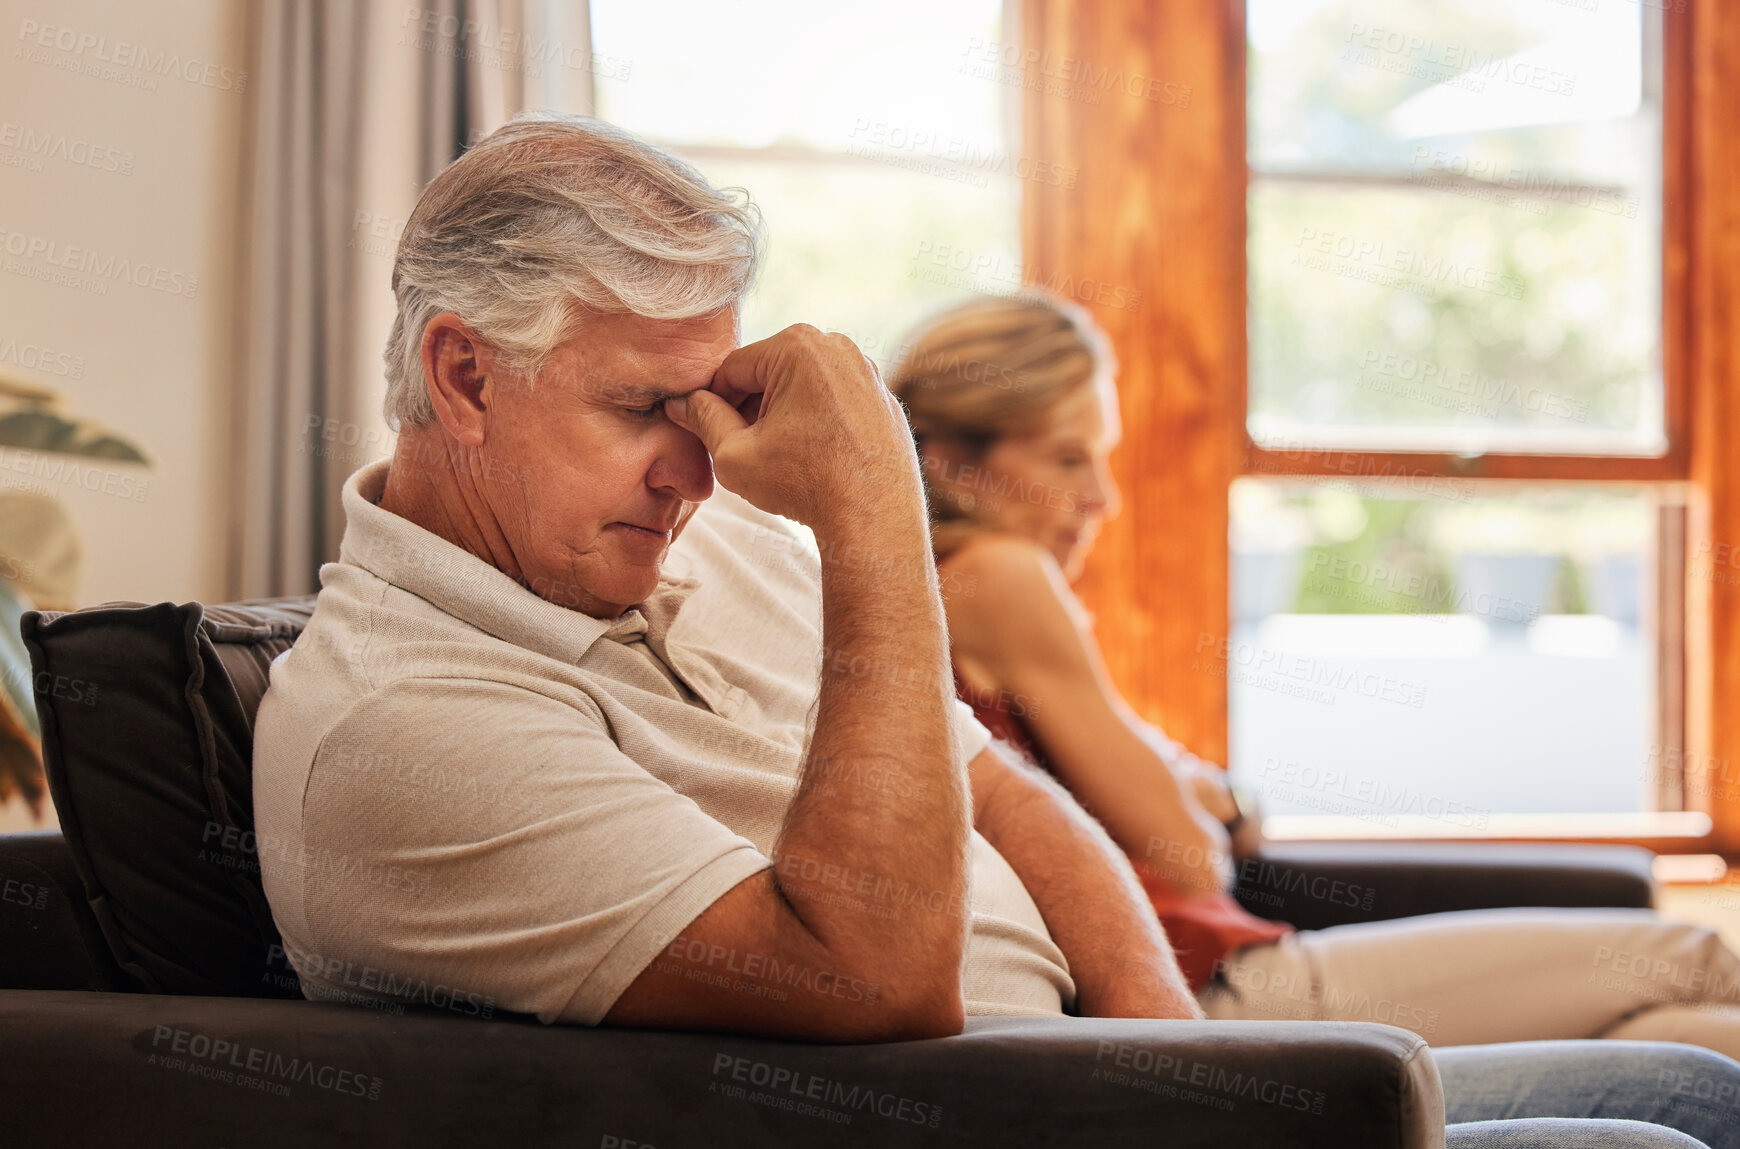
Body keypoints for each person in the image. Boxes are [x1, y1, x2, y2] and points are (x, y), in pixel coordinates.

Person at [252, 112, 1733, 1147]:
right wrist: (874, 509)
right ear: (463, 375)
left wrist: (1189, 1068)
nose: (695, 468)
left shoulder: (683, 549)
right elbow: (872, 977)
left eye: (704, 407)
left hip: (1134, 1081)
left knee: (1690, 1084)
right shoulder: (396, 729)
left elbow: (1005, 791)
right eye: (643, 407)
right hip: (1002, 1125)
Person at [885, 292, 1740, 1061]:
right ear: (958, 466)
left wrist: (1205, 797)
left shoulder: (931, 584)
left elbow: (1205, 808)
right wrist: (1204, 797)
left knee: (1689, 1041)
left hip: (1213, 978)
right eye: (1069, 460)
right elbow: (1191, 859)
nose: (1104, 497)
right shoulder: (998, 576)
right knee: (1691, 957)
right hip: (1210, 994)